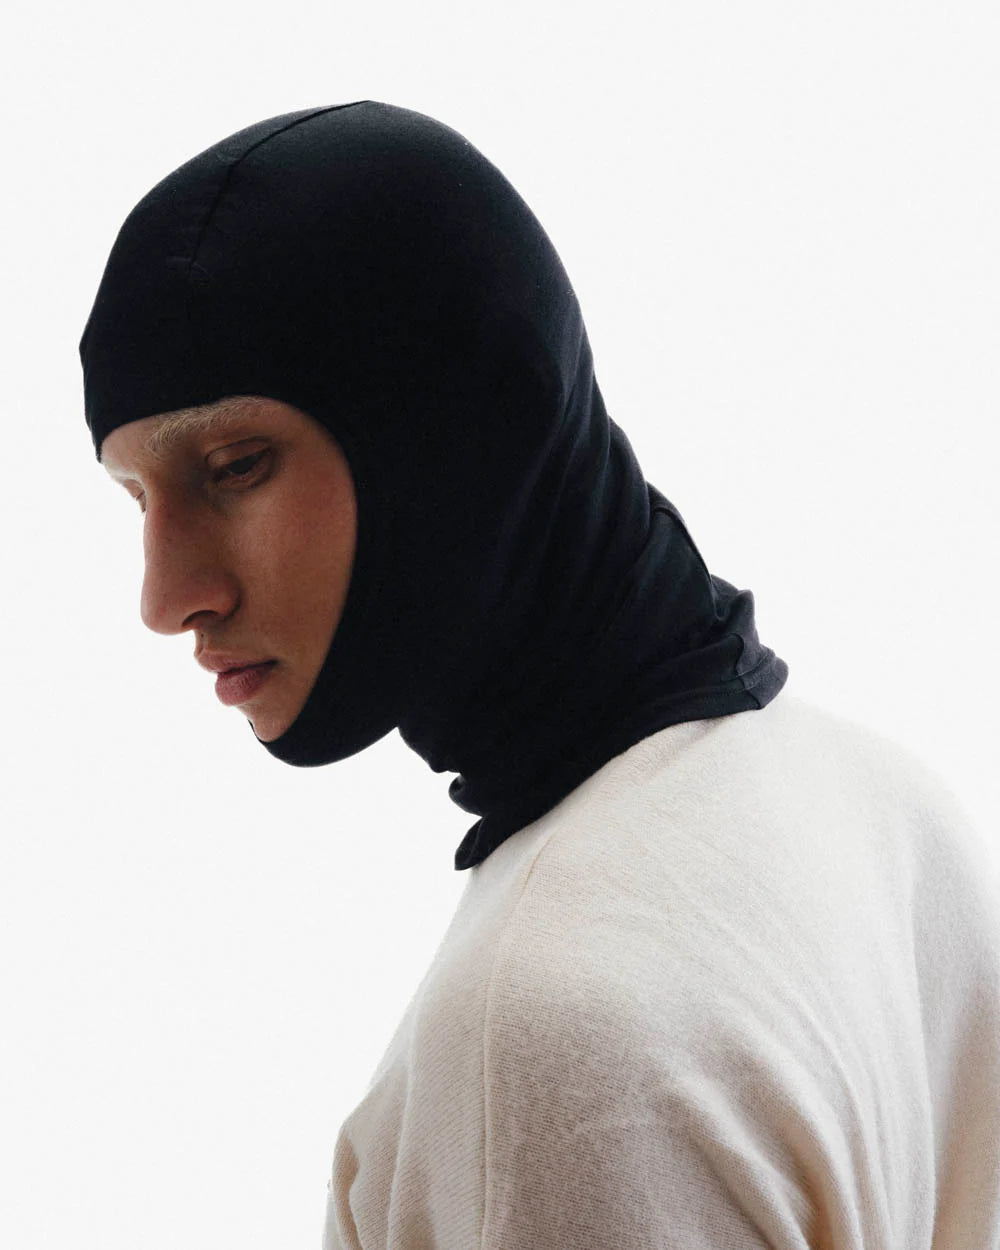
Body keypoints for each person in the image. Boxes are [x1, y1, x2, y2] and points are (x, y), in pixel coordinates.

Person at [80, 102, 1000, 1249]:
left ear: (457, 424)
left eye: (235, 464)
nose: (167, 595)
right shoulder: (883, 805)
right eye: (137, 495)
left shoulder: (555, 1033)